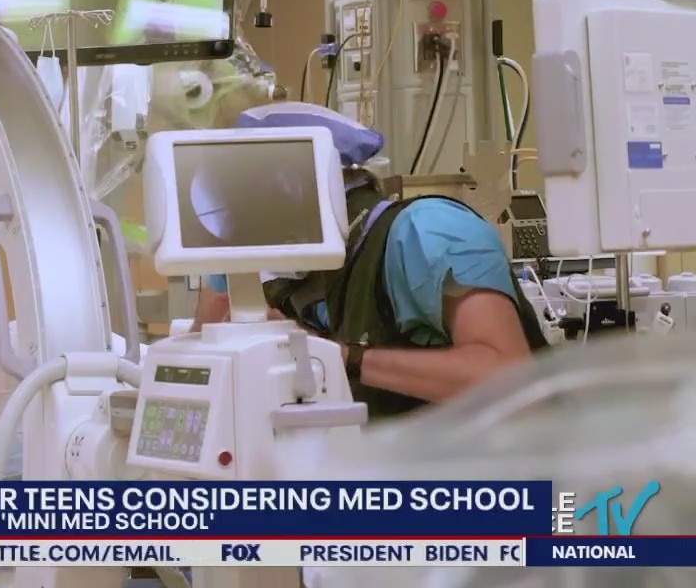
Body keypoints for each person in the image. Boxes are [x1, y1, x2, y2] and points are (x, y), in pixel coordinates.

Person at [192, 105, 549, 420]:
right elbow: (202, 352)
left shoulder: (428, 234)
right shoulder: (282, 258)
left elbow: (508, 379)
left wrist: (342, 357)